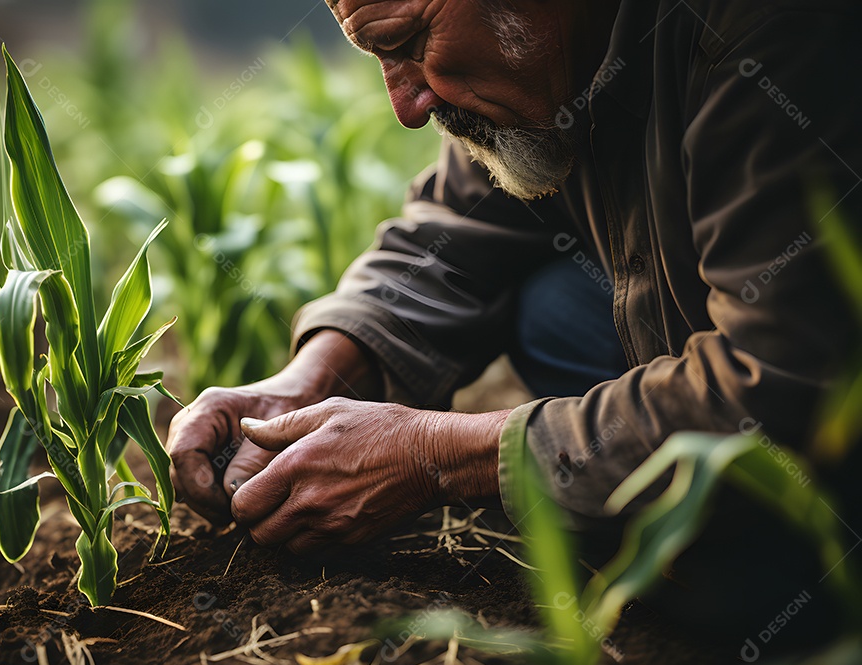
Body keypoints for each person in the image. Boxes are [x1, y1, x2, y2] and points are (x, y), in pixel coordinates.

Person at [166, 0, 862, 616]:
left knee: (750, 583)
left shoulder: (773, 41)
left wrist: (436, 456)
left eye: (408, 44)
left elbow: (778, 382)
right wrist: (315, 377)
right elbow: (454, 234)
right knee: (553, 306)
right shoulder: (543, 66)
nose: (406, 107)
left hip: (822, 437)